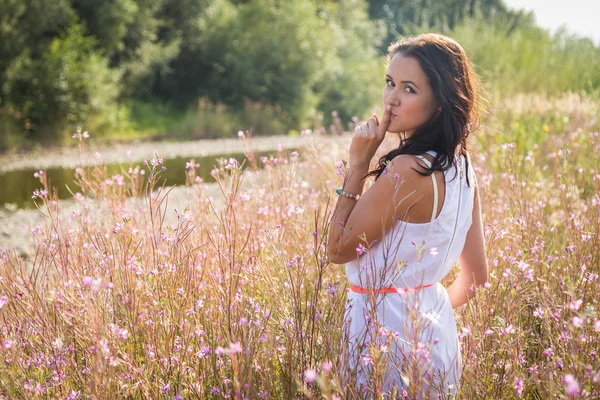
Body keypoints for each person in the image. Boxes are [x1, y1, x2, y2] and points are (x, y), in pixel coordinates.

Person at [326, 33, 489, 398]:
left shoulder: (406, 170)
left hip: (385, 337)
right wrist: (423, 305)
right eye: (389, 83)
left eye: (409, 89)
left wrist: (357, 165)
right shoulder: (463, 170)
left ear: (441, 102)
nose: (390, 99)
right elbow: (476, 279)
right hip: (436, 334)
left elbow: (337, 249)